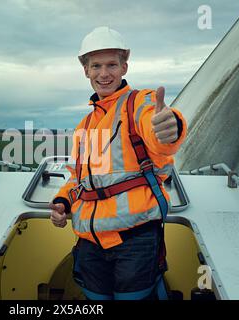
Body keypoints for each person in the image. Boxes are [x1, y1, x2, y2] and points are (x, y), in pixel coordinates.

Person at [49, 26, 187, 300]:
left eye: (111, 64)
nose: (104, 73)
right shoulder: (85, 126)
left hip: (136, 239)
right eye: (96, 65)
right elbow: (78, 178)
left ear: (124, 67)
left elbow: (158, 132)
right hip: (89, 242)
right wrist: (63, 202)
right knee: (93, 298)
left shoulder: (139, 103)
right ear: (86, 71)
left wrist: (169, 127)